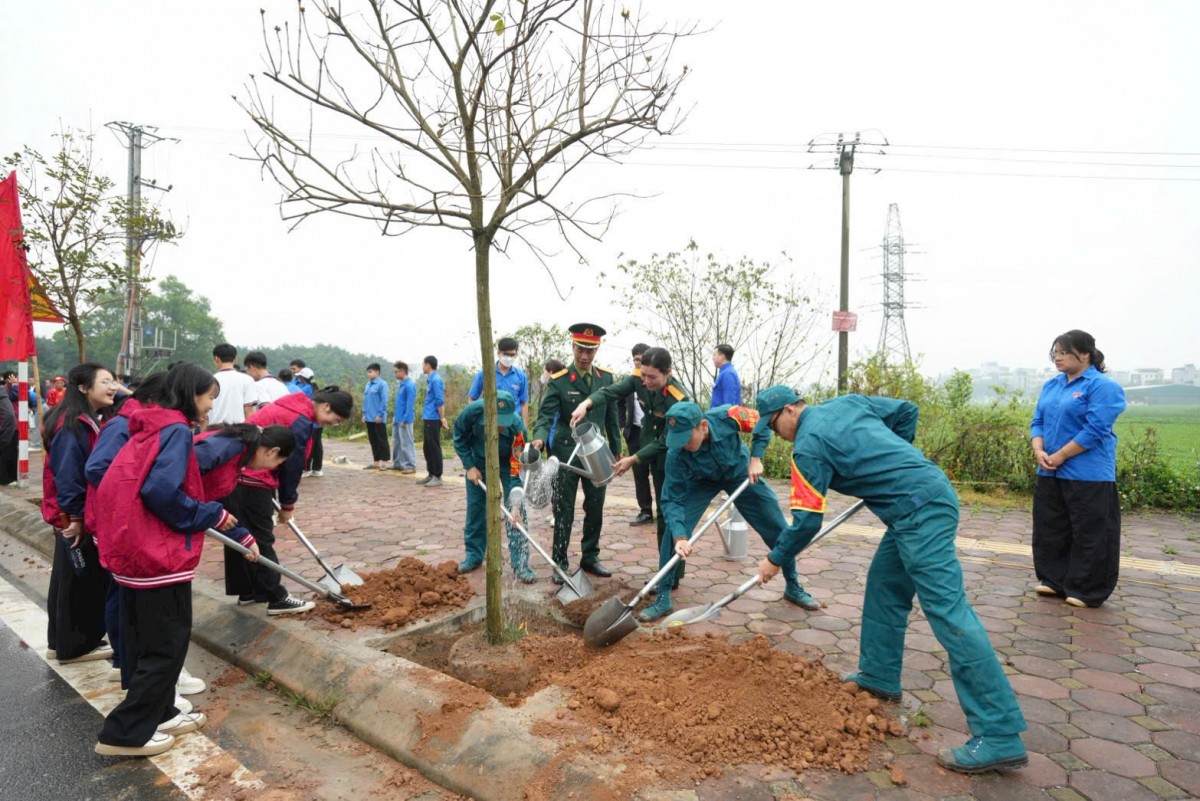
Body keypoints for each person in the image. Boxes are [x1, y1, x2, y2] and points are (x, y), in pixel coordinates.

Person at [752, 385, 1028, 774]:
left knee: (948, 613)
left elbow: (807, 521)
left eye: (774, 426)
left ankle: (999, 734)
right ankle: (879, 675)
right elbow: (906, 411)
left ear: (789, 412)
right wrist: (891, 458)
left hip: (920, 512)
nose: (777, 435)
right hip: (916, 503)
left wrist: (775, 559)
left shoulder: (807, 447)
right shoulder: (846, 403)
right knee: (884, 587)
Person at [92, 363, 259, 758]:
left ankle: (161, 713)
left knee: (144, 642)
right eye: (208, 398)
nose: (210, 407)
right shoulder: (176, 432)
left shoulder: (147, 426)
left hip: (134, 553)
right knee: (166, 648)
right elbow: (161, 492)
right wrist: (210, 514)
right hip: (158, 557)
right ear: (189, 394)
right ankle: (124, 732)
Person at [644, 402, 819, 622]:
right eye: (677, 440)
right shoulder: (677, 454)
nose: (682, 445)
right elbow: (672, 499)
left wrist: (756, 457)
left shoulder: (729, 416)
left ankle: (793, 584)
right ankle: (663, 598)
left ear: (703, 426)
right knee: (673, 530)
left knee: (776, 525)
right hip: (701, 481)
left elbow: (763, 423)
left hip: (740, 473)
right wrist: (680, 536)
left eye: (686, 438)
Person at [222, 386, 353, 613]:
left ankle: (250, 591)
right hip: (254, 477)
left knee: (239, 535)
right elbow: (291, 466)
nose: (332, 423)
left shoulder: (293, 404)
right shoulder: (300, 420)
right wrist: (287, 505)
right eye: (334, 418)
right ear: (326, 406)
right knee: (261, 538)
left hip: (238, 474)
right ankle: (276, 597)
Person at [570, 345, 689, 588]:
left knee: (668, 514)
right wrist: (586, 404)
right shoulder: (640, 378)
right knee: (659, 512)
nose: (645, 381)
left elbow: (665, 441)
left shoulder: (679, 399)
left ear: (668, 372)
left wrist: (633, 459)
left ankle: (669, 574)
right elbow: (610, 392)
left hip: (673, 457)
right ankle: (666, 572)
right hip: (649, 446)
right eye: (643, 375)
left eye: (652, 377)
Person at [1030, 330, 1127, 608]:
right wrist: (1039, 450)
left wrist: (1060, 455)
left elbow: (1096, 429)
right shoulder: (1052, 385)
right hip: (1049, 469)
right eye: (1055, 353)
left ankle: (1087, 589)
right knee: (1051, 526)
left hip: (1089, 472)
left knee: (1091, 531)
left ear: (1084, 354)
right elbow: (1038, 421)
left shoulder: (1102, 386)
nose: (1057, 358)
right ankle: (1054, 580)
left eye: (1063, 352)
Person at [84, 372, 169, 686]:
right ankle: (123, 659)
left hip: (120, 520)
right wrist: (129, 498)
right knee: (120, 592)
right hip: (115, 522)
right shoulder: (123, 425)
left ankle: (126, 658)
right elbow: (96, 468)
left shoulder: (134, 422)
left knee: (121, 591)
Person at [532, 324, 622, 582]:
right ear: (572, 347)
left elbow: (612, 418)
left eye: (590, 351)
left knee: (595, 506)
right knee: (564, 508)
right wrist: (539, 438)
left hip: (596, 454)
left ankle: (590, 556)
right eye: (581, 349)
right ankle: (559, 560)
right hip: (566, 454)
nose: (585, 356)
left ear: (597, 350)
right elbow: (545, 415)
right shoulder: (559, 380)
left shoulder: (606, 378)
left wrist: (616, 448)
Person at [40, 362, 117, 664]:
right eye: (106, 382)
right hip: (72, 516)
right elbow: (69, 474)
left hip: (68, 514)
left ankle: (60, 643)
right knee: (82, 581)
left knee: (67, 578)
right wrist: (75, 518)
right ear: (84, 388)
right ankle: (77, 646)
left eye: (114, 381)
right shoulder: (74, 424)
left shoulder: (82, 418)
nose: (113, 387)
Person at [452, 390, 532, 580]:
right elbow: (459, 436)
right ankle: (474, 556)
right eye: (494, 422)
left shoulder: (518, 429)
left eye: (502, 424)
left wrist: (515, 502)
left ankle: (520, 563)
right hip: (478, 460)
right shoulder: (472, 412)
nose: (498, 427)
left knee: (516, 511)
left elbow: (516, 467)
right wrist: (469, 465)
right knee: (476, 508)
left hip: (506, 462)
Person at [618, 344, 654, 526]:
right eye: (635, 360)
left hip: (653, 434)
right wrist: (623, 424)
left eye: (641, 359)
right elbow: (618, 401)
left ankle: (665, 510)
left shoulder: (655, 380)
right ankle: (645, 511)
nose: (638, 363)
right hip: (634, 432)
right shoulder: (630, 381)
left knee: (658, 471)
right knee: (639, 474)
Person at [467, 336, 530, 429]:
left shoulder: (521, 376)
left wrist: (524, 427)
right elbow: (472, 398)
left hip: (513, 423)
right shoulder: (485, 374)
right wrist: (474, 420)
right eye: (506, 354)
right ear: (499, 353)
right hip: (490, 423)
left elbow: (524, 403)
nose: (509, 358)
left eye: (512, 355)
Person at [208, 344, 257, 428]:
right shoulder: (247, 380)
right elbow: (249, 410)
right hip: (237, 430)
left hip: (213, 430)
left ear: (216, 359)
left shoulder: (209, 380)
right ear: (235, 360)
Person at [418, 356, 448, 487]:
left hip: (433, 418)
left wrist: (442, 418)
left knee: (434, 446)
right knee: (427, 447)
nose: (422, 366)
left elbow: (439, 401)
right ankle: (431, 473)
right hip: (428, 417)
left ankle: (437, 475)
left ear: (428, 365)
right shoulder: (430, 380)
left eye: (423, 364)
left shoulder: (436, 380)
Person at [362, 362, 391, 469]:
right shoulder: (367, 385)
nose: (368, 374)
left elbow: (384, 401)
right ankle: (376, 461)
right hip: (369, 417)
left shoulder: (382, 384)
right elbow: (365, 401)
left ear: (377, 372)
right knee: (373, 440)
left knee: (381, 439)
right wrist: (364, 414)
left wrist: (380, 415)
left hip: (378, 418)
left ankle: (385, 461)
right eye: (368, 372)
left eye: (370, 372)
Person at [391, 361, 417, 473]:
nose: (395, 374)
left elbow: (410, 404)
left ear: (403, 371)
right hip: (397, 418)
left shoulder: (409, 385)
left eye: (397, 371)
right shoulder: (401, 385)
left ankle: (410, 465)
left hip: (404, 419)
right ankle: (398, 464)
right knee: (397, 442)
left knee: (407, 442)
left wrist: (405, 419)